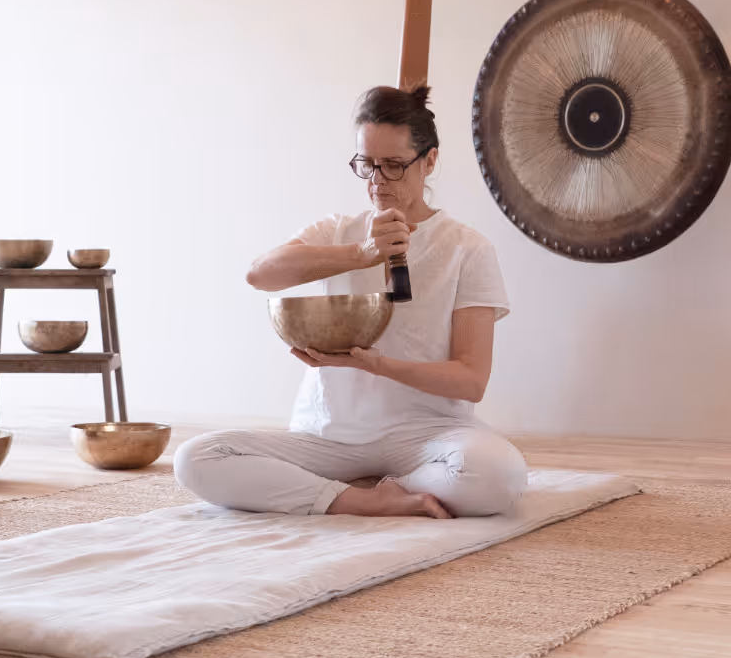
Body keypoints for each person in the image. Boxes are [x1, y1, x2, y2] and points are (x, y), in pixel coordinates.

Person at [174, 85, 527, 519]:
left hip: (425, 435)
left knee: (498, 476)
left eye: (394, 166)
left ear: (430, 160)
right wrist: (361, 253)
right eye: (367, 164)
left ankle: (361, 489)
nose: (378, 180)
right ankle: (362, 499)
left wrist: (377, 365)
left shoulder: (468, 249)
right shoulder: (338, 231)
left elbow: (470, 379)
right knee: (196, 458)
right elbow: (260, 274)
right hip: (327, 436)